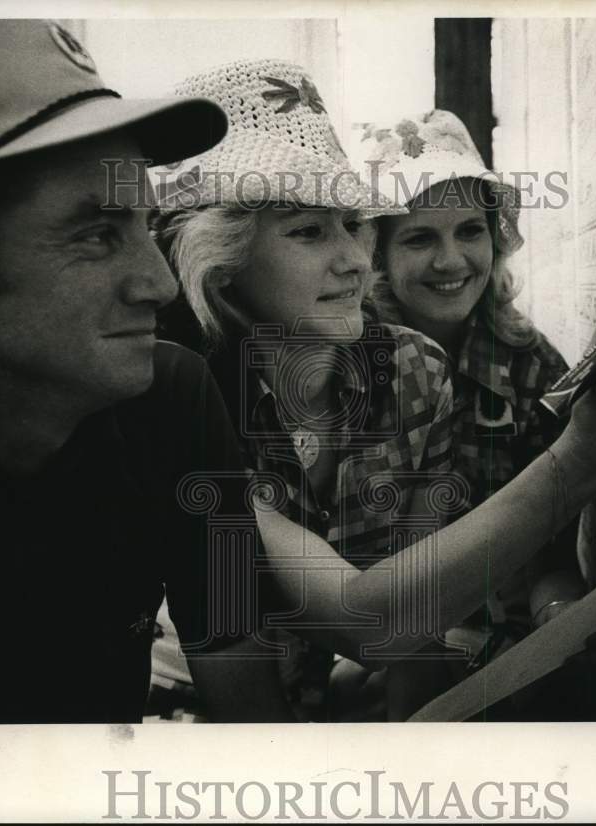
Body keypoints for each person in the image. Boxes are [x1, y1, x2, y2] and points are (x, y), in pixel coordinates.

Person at [0, 19, 293, 724]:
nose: (160, 284)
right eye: (96, 235)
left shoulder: (174, 401)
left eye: (145, 225)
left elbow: (244, 687)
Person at [153, 59, 466, 721]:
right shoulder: (177, 400)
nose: (354, 259)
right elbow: (364, 623)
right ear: (220, 266)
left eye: (354, 223)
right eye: (306, 231)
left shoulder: (417, 373)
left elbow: (418, 608)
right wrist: (583, 455)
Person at [353, 109, 596, 718]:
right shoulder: (338, 366)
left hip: (496, 678)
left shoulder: (531, 367)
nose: (452, 261)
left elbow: (549, 559)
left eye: (469, 230)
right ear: (375, 253)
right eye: (419, 237)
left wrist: (559, 622)